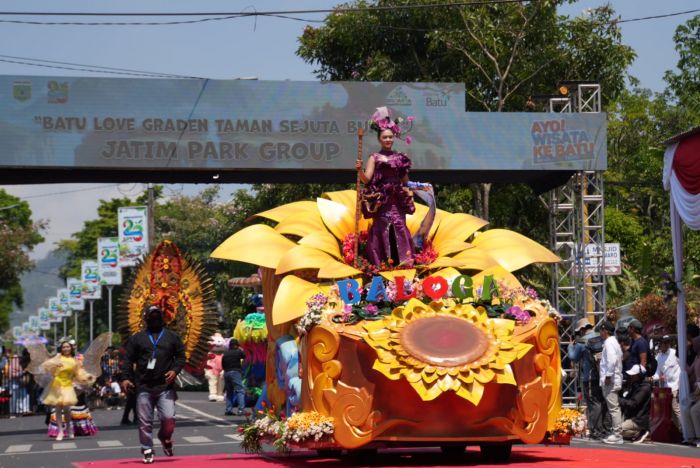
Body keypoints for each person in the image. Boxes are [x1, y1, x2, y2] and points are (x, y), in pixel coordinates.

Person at [120, 306, 185, 464]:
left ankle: (164, 437)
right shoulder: (137, 338)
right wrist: (125, 378)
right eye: (151, 316)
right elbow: (128, 360)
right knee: (144, 420)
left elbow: (181, 356)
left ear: (162, 318)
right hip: (143, 385)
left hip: (165, 386)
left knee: (168, 418)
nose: (154, 318)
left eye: (157, 316)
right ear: (146, 318)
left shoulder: (172, 337)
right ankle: (147, 448)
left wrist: (175, 371)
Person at [356, 107, 416, 268]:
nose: (388, 139)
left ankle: (404, 264)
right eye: (385, 137)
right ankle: (380, 266)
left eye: (390, 137)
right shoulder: (374, 157)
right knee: (381, 229)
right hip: (381, 201)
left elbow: (406, 181)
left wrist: (410, 191)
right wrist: (359, 170)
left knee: (399, 227)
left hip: (397, 201)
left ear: (394, 137)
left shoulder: (400, 158)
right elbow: (366, 179)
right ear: (379, 139)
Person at [41, 340, 96, 441]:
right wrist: (54, 364)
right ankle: (60, 432)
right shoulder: (58, 357)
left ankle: (69, 429)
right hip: (57, 385)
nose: (66, 349)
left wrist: (87, 376)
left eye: (68, 347)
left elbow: (79, 372)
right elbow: (46, 366)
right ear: (61, 349)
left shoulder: (74, 360)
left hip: (67, 386)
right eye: (64, 347)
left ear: (71, 348)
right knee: (58, 409)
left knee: (67, 409)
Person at [568, 318, 607, 440]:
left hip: (589, 377)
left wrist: (570, 346)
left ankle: (595, 430)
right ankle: (604, 428)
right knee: (601, 402)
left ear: (582, 329)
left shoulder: (582, 342)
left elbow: (573, 357)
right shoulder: (601, 338)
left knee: (593, 404)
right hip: (602, 375)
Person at [599, 320, 624, 444]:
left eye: (601, 330)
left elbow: (612, 360)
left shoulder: (609, 343)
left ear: (605, 331)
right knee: (614, 407)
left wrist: (608, 375)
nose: (600, 333)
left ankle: (618, 434)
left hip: (611, 380)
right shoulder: (614, 342)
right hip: (614, 379)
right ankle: (616, 432)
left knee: (613, 408)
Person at [652, 335, 681, 431]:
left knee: (676, 410)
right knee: (670, 412)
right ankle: (682, 433)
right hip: (666, 389)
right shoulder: (658, 357)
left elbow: (682, 368)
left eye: (667, 342)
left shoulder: (675, 353)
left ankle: (685, 432)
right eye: (664, 343)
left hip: (676, 386)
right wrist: (654, 378)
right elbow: (657, 373)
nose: (666, 344)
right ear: (660, 344)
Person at [619, 364, 652, 443]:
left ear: (640, 375)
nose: (631, 377)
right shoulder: (635, 386)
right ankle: (637, 433)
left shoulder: (644, 388)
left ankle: (641, 432)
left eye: (634, 375)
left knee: (618, 430)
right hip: (631, 417)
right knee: (614, 429)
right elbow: (627, 400)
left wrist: (618, 400)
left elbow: (633, 403)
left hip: (638, 420)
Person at [682, 335, 700, 447]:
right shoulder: (697, 358)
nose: (693, 346)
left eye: (695, 344)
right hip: (697, 391)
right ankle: (691, 436)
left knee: (694, 411)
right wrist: (680, 360)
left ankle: (699, 437)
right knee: (687, 410)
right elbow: (689, 371)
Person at [222, 338, 246, 416]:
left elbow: (223, 364)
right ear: (236, 345)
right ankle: (241, 410)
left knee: (229, 392)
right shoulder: (238, 352)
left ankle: (228, 410)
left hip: (226, 372)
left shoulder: (225, 353)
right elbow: (244, 356)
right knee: (240, 391)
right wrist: (241, 349)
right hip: (235, 372)